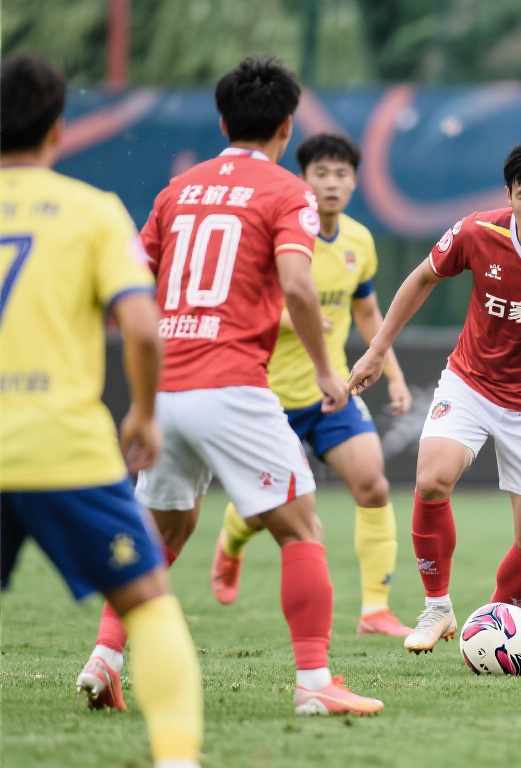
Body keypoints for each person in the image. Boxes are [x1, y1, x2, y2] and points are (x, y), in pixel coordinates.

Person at [75, 55, 383, 716]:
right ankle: (314, 685)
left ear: (222, 120)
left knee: (166, 530)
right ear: (287, 126)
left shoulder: (176, 190)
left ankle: (104, 657)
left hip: (165, 389)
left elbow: (126, 285)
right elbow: (298, 284)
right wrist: (330, 371)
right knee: (301, 530)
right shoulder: (285, 192)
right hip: (232, 385)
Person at [348, 135, 521, 654]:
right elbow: (421, 278)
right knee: (432, 478)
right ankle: (437, 609)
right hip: (470, 381)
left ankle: (499, 621)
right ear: (509, 194)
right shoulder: (478, 231)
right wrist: (376, 350)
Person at [0, 54, 203, 766]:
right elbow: (143, 327)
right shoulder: (91, 212)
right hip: (63, 446)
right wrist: (144, 414)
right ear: (59, 128)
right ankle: (177, 757)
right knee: (149, 600)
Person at [211, 132, 414, 638]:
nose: (331, 183)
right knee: (270, 509)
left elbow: (367, 310)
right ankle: (232, 541)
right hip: (267, 397)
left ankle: (375, 609)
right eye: (320, 173)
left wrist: (392, 371)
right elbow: (243, 302)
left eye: (341, 174)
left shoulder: (359, 241)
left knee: (372, 482)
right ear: (302, 179)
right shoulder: (277, 233)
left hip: (330, 393)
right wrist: (294, 319)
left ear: (353, 182)